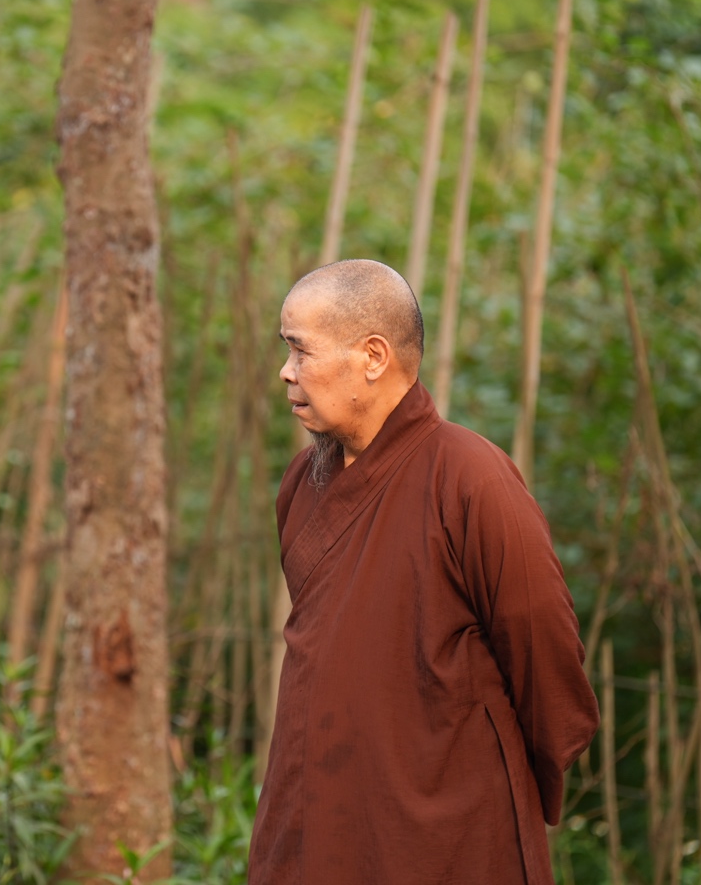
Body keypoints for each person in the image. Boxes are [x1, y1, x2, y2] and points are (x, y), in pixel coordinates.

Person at [248, 259, 599, 884]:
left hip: (443, 812)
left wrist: (490, 777)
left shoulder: (470, 477)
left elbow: (543, 648)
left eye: (300, 350)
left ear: (373, 357)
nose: (286, 371)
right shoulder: (305, 482)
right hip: (315, 800)